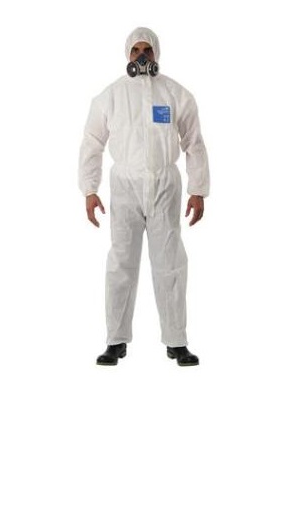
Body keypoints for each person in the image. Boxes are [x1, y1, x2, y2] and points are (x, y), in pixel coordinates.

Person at [78, 27, 209, 367]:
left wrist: (197, 190)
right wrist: (90, 190)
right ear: (127, 55)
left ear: (156, 54)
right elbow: (92, 142)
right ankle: (116, 340)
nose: (141, 56)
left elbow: (194, 143)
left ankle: (176, 341)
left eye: (146, 50)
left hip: (165, 185)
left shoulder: (176, 94)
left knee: (170, 263)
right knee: (121, 262)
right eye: (135, 50)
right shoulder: (111, 96)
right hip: (125, 186)